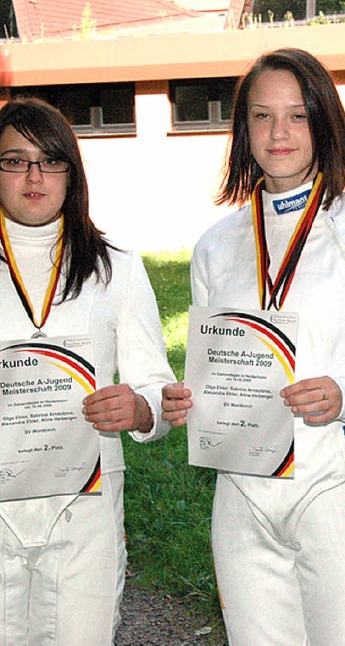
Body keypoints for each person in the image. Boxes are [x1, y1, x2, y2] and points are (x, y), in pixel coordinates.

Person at [161, 47, 345, 644]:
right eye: (262, 115)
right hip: (242, 495)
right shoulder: (214, 245)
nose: (278, 132)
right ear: (243, 128)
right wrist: (190, 401)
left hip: (341, 488)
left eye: (297, 115)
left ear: (324, 121)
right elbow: (213, 371)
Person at [0, 98, 175, 644]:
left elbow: (158, 388)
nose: (34, 176)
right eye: (14, 160)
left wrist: (141, 407)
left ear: (71, 174)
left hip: (85, 510)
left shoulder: (115, 269)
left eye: (50, 160)